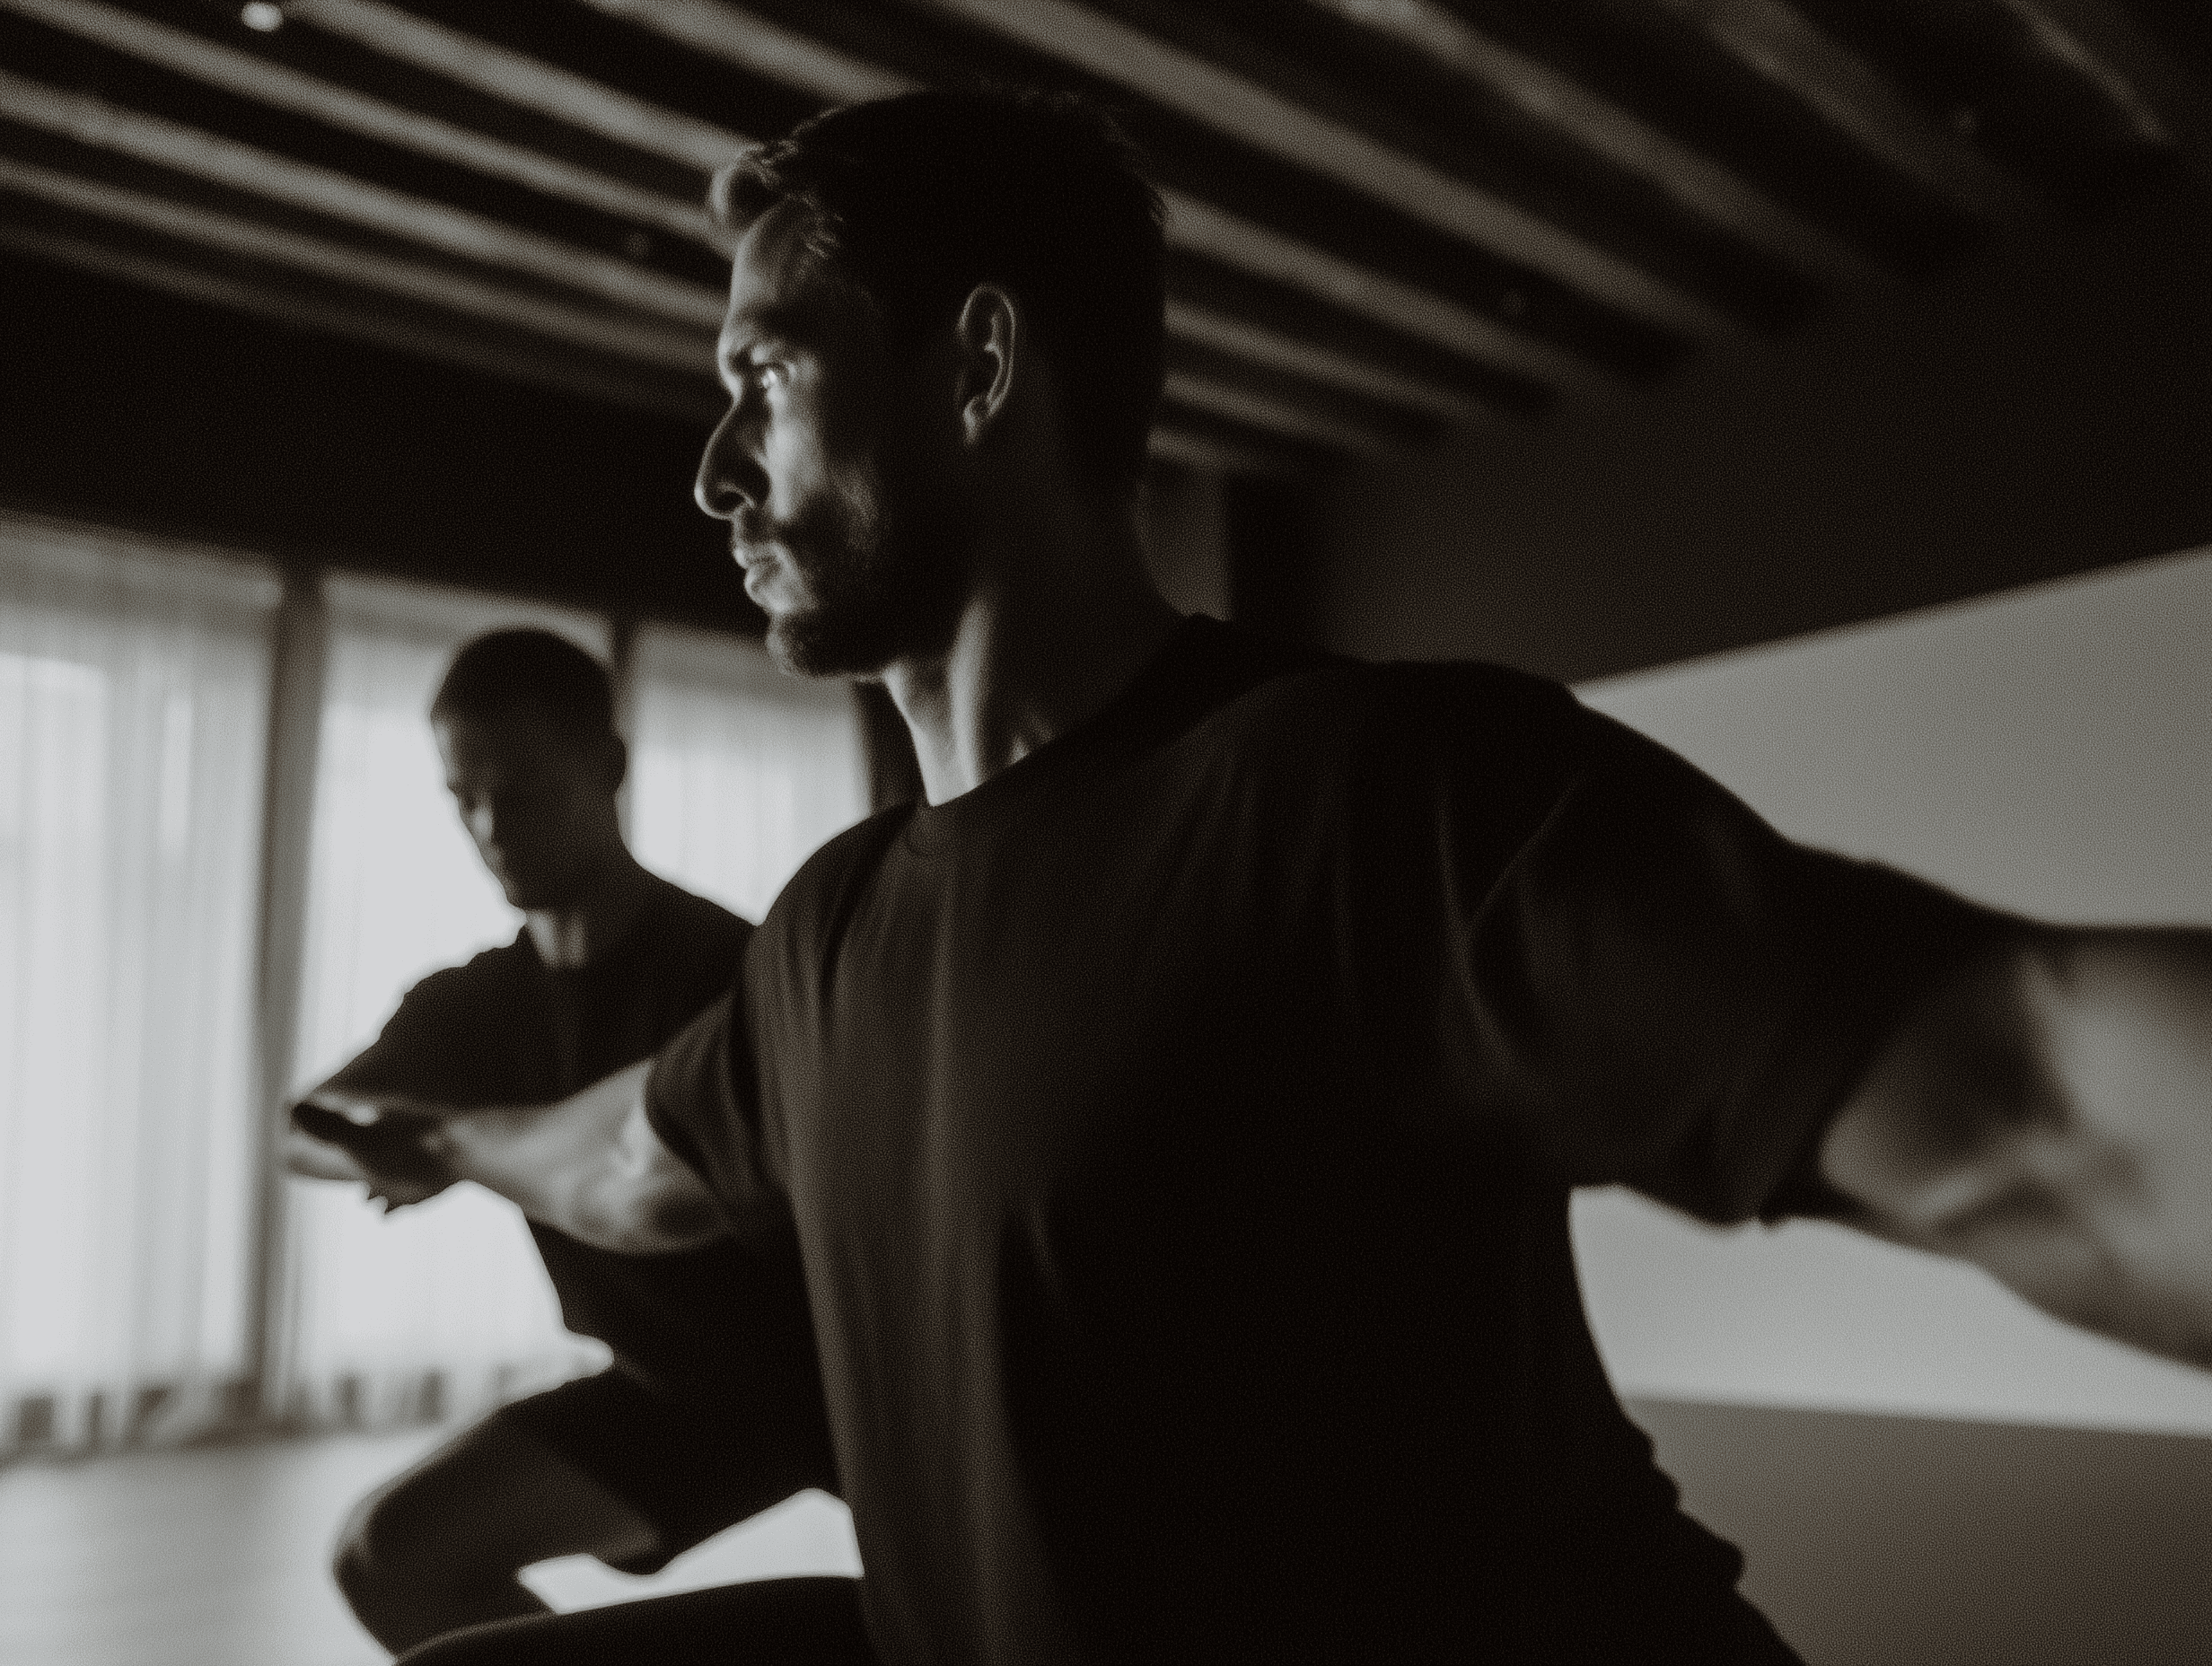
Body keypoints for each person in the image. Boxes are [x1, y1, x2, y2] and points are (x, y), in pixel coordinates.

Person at [368, 93, 2212, 1665]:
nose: (713, 471)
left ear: (982, 367)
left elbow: (2039, 1104)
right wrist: (449, 1138)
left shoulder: (1357, 794)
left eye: (763, 374)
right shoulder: (828, 934)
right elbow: (622, 1158)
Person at [282, 629, 852, 1659]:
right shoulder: (474, 1000)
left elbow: (643, 1185)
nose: (492, 826)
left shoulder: (733, 967)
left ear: (611, 769)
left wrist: (452, 1144)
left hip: (843, 1381)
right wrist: (381, 1151)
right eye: (464, 796)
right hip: (669, 1388)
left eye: (525, 790)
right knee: (386, 1553)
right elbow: (306, 1125)